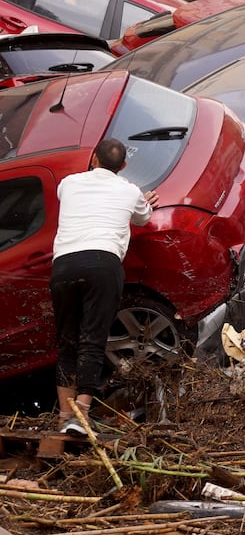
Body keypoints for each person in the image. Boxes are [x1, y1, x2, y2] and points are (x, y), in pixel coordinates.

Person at [51, 138, 157, 434]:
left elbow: (70, 198)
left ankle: (63, 417)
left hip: (64, 266)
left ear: (94, 159)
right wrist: (144, 200)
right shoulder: (130, 191)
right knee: (93, 339)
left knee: (67, 341)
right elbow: (144, 217)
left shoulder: (69, 183)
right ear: (123, 166)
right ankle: (80, 416)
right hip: (103, 264)